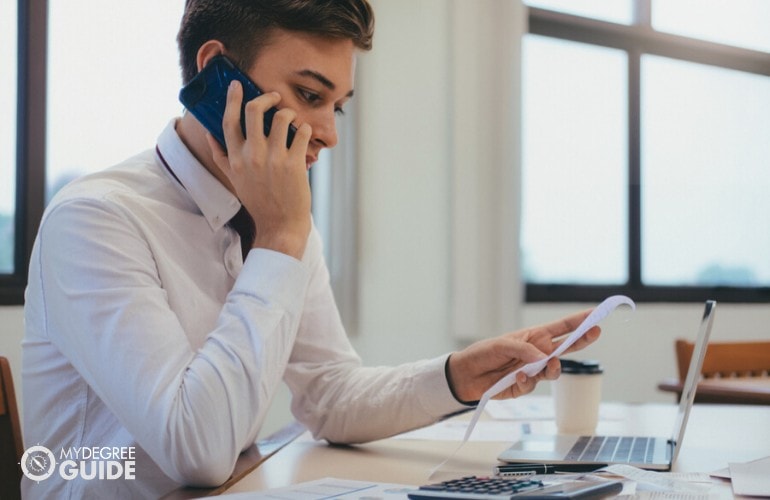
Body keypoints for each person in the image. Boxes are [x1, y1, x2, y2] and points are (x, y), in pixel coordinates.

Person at [21, 1, 601, 498]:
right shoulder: (97, 219)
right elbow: (194, 452)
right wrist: (279, 238)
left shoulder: (279, 216)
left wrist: (456, 377)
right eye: (309, 94)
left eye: (337, 104)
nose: (330, 132)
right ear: (216, 71)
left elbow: (329, 393)